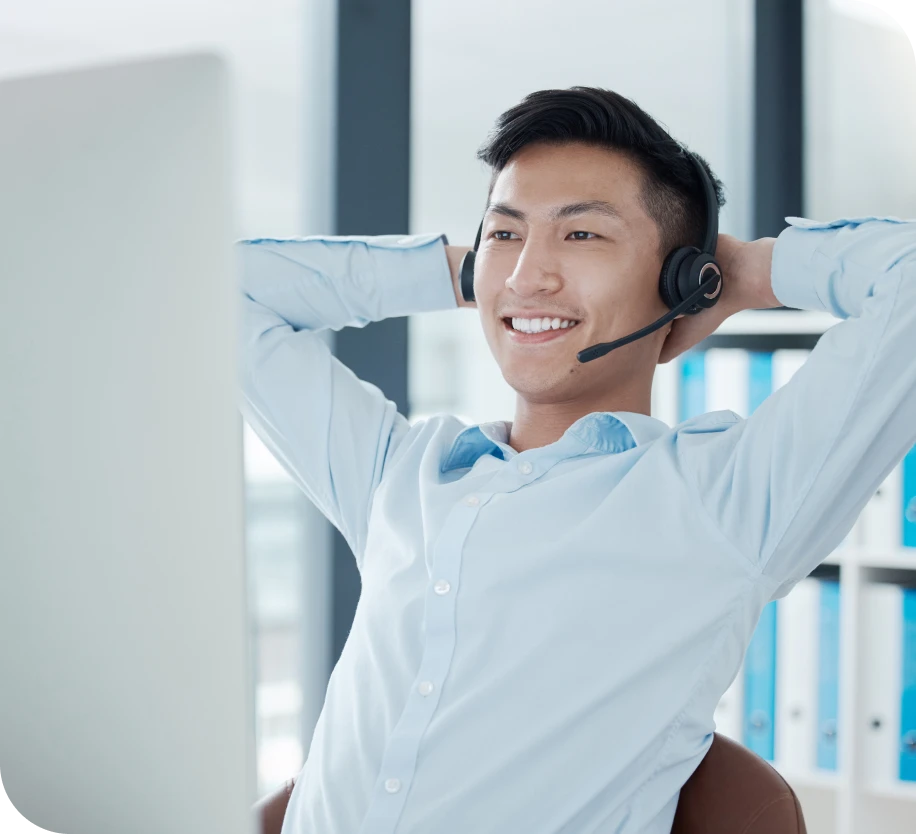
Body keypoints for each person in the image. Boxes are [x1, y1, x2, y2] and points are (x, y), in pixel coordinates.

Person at [238, 86, 916, 834]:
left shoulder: (722, 502)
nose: (531, 274)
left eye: (581, 236)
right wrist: (465, 273)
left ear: (679, 278)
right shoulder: (400, 473)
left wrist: (745, 273)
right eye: (506, 234)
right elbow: (220, 293)